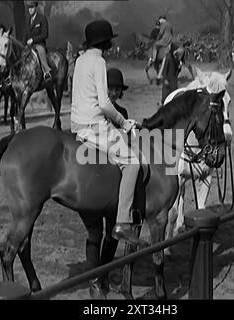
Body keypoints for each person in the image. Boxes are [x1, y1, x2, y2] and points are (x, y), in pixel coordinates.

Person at [71, 20, 146, 246]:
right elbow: (104, 104)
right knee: (133, 164)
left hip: (76, 125)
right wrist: (123, 122)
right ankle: (123, 222)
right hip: (94, 126)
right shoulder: (99, 62)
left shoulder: (79, 60)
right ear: (105, 43)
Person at [24, 1, 52, 81]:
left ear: (36, 8)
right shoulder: (27, 20)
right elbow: (25, 34)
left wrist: (33, 39)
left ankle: (46, 71)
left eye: (32, 7)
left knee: (40, 51)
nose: (30, 10)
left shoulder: (42, 18)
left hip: (39, 44)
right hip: (29, 45)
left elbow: (45, 34)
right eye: (29, 8)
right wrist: (25, 42)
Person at [152, 15, 173, 81]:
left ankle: (153, 58)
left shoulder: (163, 25)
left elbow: (160, 33)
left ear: (162, 19)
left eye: (160, 20)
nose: (159, 21)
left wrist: (157, 39)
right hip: (170, 40)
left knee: (155, 44)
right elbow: (172, 33)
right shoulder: (170, 24)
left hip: (164, 40)